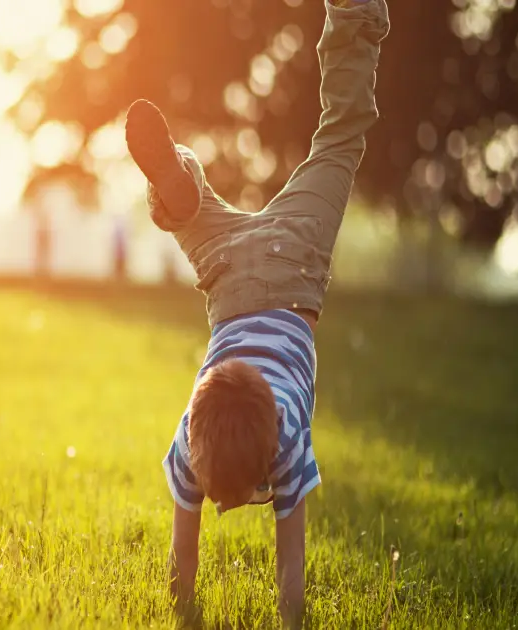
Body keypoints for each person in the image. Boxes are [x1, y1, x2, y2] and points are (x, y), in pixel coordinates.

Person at [124, 0, 389, 626]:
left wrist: (185, 615)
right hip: (232, 272)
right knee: (199, 215)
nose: (218, 508)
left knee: (341, 133)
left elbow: (188, 559)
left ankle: (178, 189)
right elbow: (287, 571)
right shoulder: (196, 435)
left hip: (291, 261)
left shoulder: (268, 440)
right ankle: (178, 190)